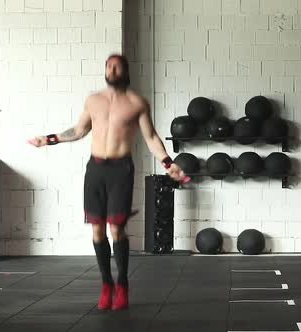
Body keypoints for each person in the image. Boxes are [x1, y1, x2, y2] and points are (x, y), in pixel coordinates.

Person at [27, 54, 189, 311]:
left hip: (120, 170)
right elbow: (79, 130)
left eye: (117, 66)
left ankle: (122, 283)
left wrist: (169, 164)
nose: (112, 69)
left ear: (126, 70)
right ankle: (106, 284)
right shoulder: (94, 101)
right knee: (97, 230)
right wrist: (49, 139)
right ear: (105, 71)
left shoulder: (137, 103)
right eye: (108, 66)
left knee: (116, 229)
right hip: (96, 169)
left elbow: (150, 137)